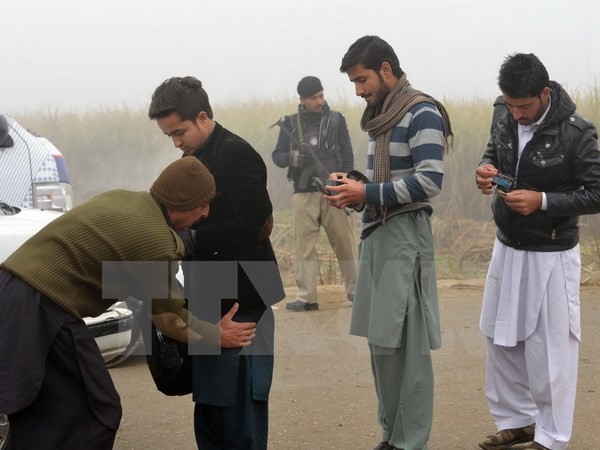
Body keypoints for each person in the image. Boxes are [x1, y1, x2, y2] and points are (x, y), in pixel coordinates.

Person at [0, 157, 257, 449]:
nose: (206, 212)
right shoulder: (157, 241)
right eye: (203, 204)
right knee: (95, 411)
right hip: (42, 307)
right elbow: (169, 320)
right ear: (183, 204)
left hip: (10, 289)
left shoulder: (125, 199)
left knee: (42, 411)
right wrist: (217, 335)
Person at [329, 35, 452, 450]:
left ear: (386, 70)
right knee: (382, 346)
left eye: (362, 80)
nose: (359, 90)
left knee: (410, 350)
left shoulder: (421, 113)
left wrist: (368, 194)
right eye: (354, 83)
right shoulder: (381, 118)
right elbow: (385, 183)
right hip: (378, 233)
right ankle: (391, 435)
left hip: (405, 236)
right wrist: (356, 186)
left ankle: (410, 442)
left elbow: (430, 180)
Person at [148, 76, 285, 450]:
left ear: (204, 117)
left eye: (179, 132)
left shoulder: (238, 154)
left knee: (241, 408)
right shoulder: (190, 159)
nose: (176, 143)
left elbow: (257, 221)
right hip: (206, 291)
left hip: (245, 293)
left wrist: (193, 239)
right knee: (209, 405)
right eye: (169, 137)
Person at [475, 53, 600, 450]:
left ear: (544, 94)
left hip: (551, 251)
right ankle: (518, 421)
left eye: (524, 106)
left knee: (551, 346)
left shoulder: (578, 133)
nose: (516, 114)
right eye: (509, 105)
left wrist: (542, 200)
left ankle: (552, 437)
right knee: (500, 337)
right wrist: (485, 169)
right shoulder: (504, 112)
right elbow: (493, 150)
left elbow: (595, 192)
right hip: (507, 242)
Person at [272, 75, 357, 311]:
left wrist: (347, 182)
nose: (320, 101)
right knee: (304, 247)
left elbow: (347, 155)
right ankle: (306, 297)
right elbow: (277, 155)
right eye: (314, 98)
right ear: (302, 100)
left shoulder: (337, 120)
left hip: (334, 189)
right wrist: (293, 157)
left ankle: (355, 292)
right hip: (303, 192)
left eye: (321, 95)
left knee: (344, 242)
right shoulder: (289, 123)